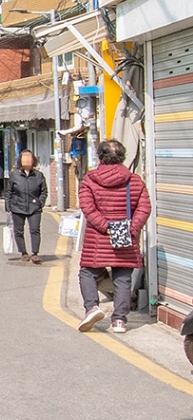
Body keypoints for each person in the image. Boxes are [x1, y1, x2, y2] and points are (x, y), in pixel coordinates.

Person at [78, 139, 151, 335]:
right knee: (123, 278)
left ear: (100, 156)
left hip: (97, 237)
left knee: (88, 272)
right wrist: (130, 229)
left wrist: (105, 226)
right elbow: (144, 208)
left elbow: (87, 207)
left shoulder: (90, 179)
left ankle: (92, 308)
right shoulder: (134, 180)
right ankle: (119, 320)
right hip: (125, 238)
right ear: (122, 156)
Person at [4, 150, 48, 263]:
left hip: (34, 208)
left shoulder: (39, 176)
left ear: (33, 160)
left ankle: (35, 254)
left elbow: (44, 192)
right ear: (21, 161)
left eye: (29, 159)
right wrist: (8, 206)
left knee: (35, 230)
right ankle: (23, 252)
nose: (27, 161)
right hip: (17, 207)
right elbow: (9, 192)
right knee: (18, 231)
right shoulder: (14, 175)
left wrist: (40, 203)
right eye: (24, 159)